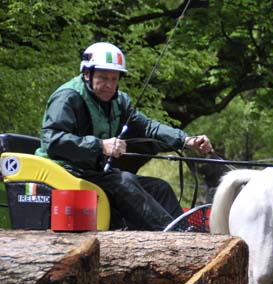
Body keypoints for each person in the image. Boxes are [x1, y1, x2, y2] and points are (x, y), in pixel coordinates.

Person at [35, 42, 214, 230]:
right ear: (87, 74)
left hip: (93, 173)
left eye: (114, 79)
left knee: (160, 187)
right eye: (103, 78)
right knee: (124, 181)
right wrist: (100, 145)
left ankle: (187, 235)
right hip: (64, 172)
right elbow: (52, 140)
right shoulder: (67, 97)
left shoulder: (119, 101)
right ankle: (174, 235)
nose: (109, 85)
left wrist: (186, 140)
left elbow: (148, 127)